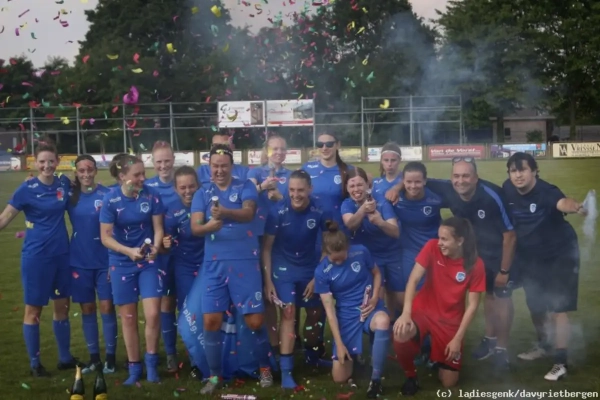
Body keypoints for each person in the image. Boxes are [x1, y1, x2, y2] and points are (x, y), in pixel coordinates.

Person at [386, 157, 516, 370]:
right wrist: (396, 187)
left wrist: (504, 270)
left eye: (466, 176)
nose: (460, 181)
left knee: (500, 297)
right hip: (470, 251)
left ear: (476, 178)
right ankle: (489, 339)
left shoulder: (491, 195)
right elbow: (415, 179)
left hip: (497, 253)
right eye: (456, 176)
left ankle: (502, 349)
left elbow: (509, 235)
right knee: (487, 297)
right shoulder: (447, 188)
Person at [191, 145, 273, 394]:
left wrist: (225, 213)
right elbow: (195, 227)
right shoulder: (202, 192)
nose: (219, 170)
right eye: (215, 166)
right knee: (211, 320)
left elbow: (249, 213)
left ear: (232, 166)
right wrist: (208, 227)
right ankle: (215, 376)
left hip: (245, 261)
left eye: (224, 166)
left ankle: (265, 368)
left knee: (255, 321)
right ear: (209, 166)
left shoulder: (245, 186)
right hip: (214, 264)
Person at [0, 139, 79, 376]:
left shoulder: (63, 183)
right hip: (36, 258)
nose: (47, 166)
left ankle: (65, 358)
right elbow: (5, 217)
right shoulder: (26, 189)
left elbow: (80, 194)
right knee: (33, 311)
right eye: (42, 162)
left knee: (62, 306)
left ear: (57, 161)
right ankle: (35, 364)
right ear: (35, 162)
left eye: (51, 161)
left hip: (61, 255)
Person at [503, 152, 584, 381]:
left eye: (523, 170)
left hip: (561, 254)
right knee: (535, 304)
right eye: (513, 171)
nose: (518, 175)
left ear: (535, 171)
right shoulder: (508, 189)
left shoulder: (547, 192)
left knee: (559, 307)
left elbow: (563, 203)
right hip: (532, 256)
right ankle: (544, 346)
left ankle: (561, 363)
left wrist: (576, 207)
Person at [393, 217, 485, 395]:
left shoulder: (475, 264)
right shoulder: (431, 247)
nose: (439, 243)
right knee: (401, 333)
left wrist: (458, 338)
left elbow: (473, 305)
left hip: (450, 320)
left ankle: (434, 355)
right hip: (424, 311)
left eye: (444, 239)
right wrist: (406, 313)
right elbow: (413, 279)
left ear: (460, 241)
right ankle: (411, 376)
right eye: (439, 237)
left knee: (448, 382)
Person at [262, 170, 330, 388]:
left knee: (315, 313)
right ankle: (286, 371)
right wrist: (268, 281)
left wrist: (318, 276)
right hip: (284, 269)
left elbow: (328, 246)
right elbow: (266, 249)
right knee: (289, 313)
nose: (296, 195)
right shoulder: (277, 212)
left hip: (310, 268)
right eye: (291, 190)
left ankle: (312, 356)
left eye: (300, 190)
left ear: (310, 189)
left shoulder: (320, 210)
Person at [99, 155, 164, 384]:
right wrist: (128, 251)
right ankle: (134, 369)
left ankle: (152, 365)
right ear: (122, 176)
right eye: (137, 175)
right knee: (128, 318)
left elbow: (158, 228)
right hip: (122, 262)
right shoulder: (110, 200)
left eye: (143, 173)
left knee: (153, 314)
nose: (143, 178)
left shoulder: (152, 195)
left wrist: (155, 247)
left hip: (147, 262)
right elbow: (105, 237)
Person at [314, 221, 389, 399]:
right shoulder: (321, 272)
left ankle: (375, 380)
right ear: (326, 253)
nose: (339, 261)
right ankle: (355, 357)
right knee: (339, 378)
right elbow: (330, 311)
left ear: (348, 248)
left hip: (369, 307)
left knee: (383, 321)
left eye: (342, 257)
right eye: (335, 259)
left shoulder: (361, 251)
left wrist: (375, 298)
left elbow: (377, 273)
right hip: (346, 315)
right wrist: (339, 344)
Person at [302, 132, 353, 355]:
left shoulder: (347, 170)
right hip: (313, 239)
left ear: (337, 145)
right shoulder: (308, 169)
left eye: (329, 143)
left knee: (344, 297)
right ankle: (314, 349)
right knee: (315, 299)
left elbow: (364, 187)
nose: (324, 147)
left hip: (340, 241)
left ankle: (348, 347)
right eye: (320, 143)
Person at [67, 155, 117, 375]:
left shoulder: (107, 195)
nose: (86, 174)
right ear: (76, 173)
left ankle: (111, 359)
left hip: (105, 261)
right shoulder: (70, 196)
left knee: (107, 307)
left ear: (96, 171)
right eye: (81, 171)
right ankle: (94, 359)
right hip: (79, 261)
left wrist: (114, 260)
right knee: (87, 309)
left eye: (89, 170)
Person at [248, 135, 292, 357]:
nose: (279, 152)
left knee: (285, 291)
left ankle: (290, 337)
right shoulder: (255, 173)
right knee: (266, 292)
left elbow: (296, 203)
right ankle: (273, 342)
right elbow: (245, 196)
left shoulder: (290, 175)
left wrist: (280, 197)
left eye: (282, 149)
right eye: (275, 149)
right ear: (266, 151)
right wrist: (262, 187)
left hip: (283, 238)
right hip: (259, 236)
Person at [161, 166, 205, 378]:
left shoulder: (207, 203)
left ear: (198, 185)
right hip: (184, 267)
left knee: (212, 310)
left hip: (208, 265)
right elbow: (164, 244)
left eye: (191, 186)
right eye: (183, 187)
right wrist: (165, 243)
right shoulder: (171, 211)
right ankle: (195, 361)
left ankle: (216, 355)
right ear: (175, 189)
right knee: (189, 313)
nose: (188, 191)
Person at [341, 167, 401, 315]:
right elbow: (350, 224)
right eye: (352, 186)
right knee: (376, 299)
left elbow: (395, 232)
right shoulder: (347, 204)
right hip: (370, 257)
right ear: (347, 188)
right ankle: (379, 326)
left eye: (360, 185)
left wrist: (380, 222)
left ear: (368, 185)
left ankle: (393, 322)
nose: (356, 189)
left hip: (391, 254)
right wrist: (363, 209)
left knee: (399, 299)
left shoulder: (381, 202)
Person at [145, 141, 179, 373]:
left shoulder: (185, 183)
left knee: (188, 303)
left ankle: (197, 352)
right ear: (153, 162)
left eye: (167, 161)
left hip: (187, 254)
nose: (163, 165)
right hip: (161, 256)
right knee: (166, 303)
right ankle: (171, 353)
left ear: (173, 160)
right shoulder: (147, 187)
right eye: (159, 162)